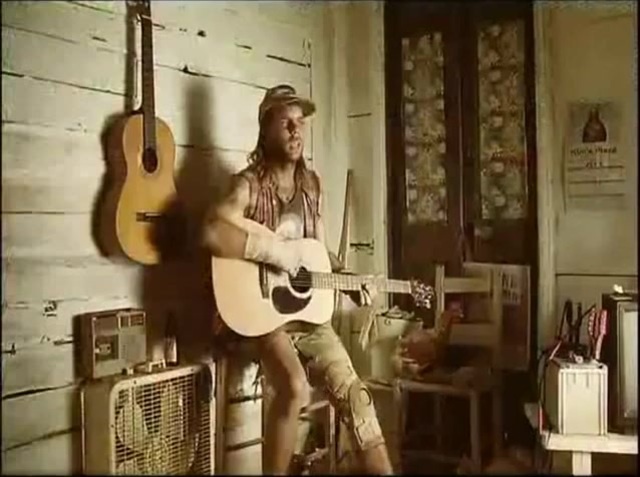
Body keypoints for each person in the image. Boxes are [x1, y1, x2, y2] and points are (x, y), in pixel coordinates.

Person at [202, 84, 393, 475]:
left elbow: (317, 256)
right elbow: (211, 232)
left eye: (300, 122)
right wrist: (275, 254)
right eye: (285, 122)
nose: (295, 130)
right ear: (266, 128)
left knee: (357, 397)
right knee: (293, 386)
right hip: (261, 316)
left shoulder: (312, 186)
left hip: (308, 317)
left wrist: (347, 280)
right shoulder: (247, 185)